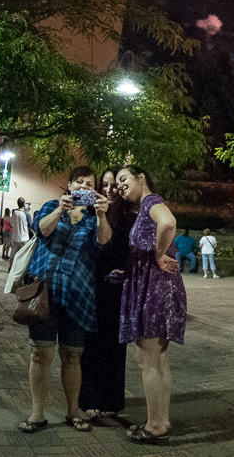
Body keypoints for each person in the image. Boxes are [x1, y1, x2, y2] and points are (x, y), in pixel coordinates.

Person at [19, 166, 111, 435]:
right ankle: (37, 414)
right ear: (69, 184)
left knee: (72, 357)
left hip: (78, 295)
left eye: (89, 183)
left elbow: (103, 243)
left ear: (94, 190)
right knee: (40, 352)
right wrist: (60, 210)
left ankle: (73, 412)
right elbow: (41, 230)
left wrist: (103, 214)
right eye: (79, 182)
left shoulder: (94, 218)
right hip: (45, 292)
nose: (83, 186)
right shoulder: (50, 205)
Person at [117, 165, 185, 445]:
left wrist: (158, 255)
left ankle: (155, 426)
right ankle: (160, 421)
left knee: (146, 359)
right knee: (158, 359)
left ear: (141, 177)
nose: (120, 186)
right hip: (158, 287)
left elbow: (168, 223)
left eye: (124, 179)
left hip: (156, 290)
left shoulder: (151, 202)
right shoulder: (146, 206)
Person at [79, 167, 134, 422]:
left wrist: (126, 272)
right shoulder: (90, 213)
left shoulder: (128, 217)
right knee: (91, 344)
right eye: (105, 185)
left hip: (116, 288)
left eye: (114, 186)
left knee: (114, 344)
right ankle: (89, 398)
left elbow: (133, 253)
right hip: (92, 285)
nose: (110, 190)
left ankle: (112, 399)